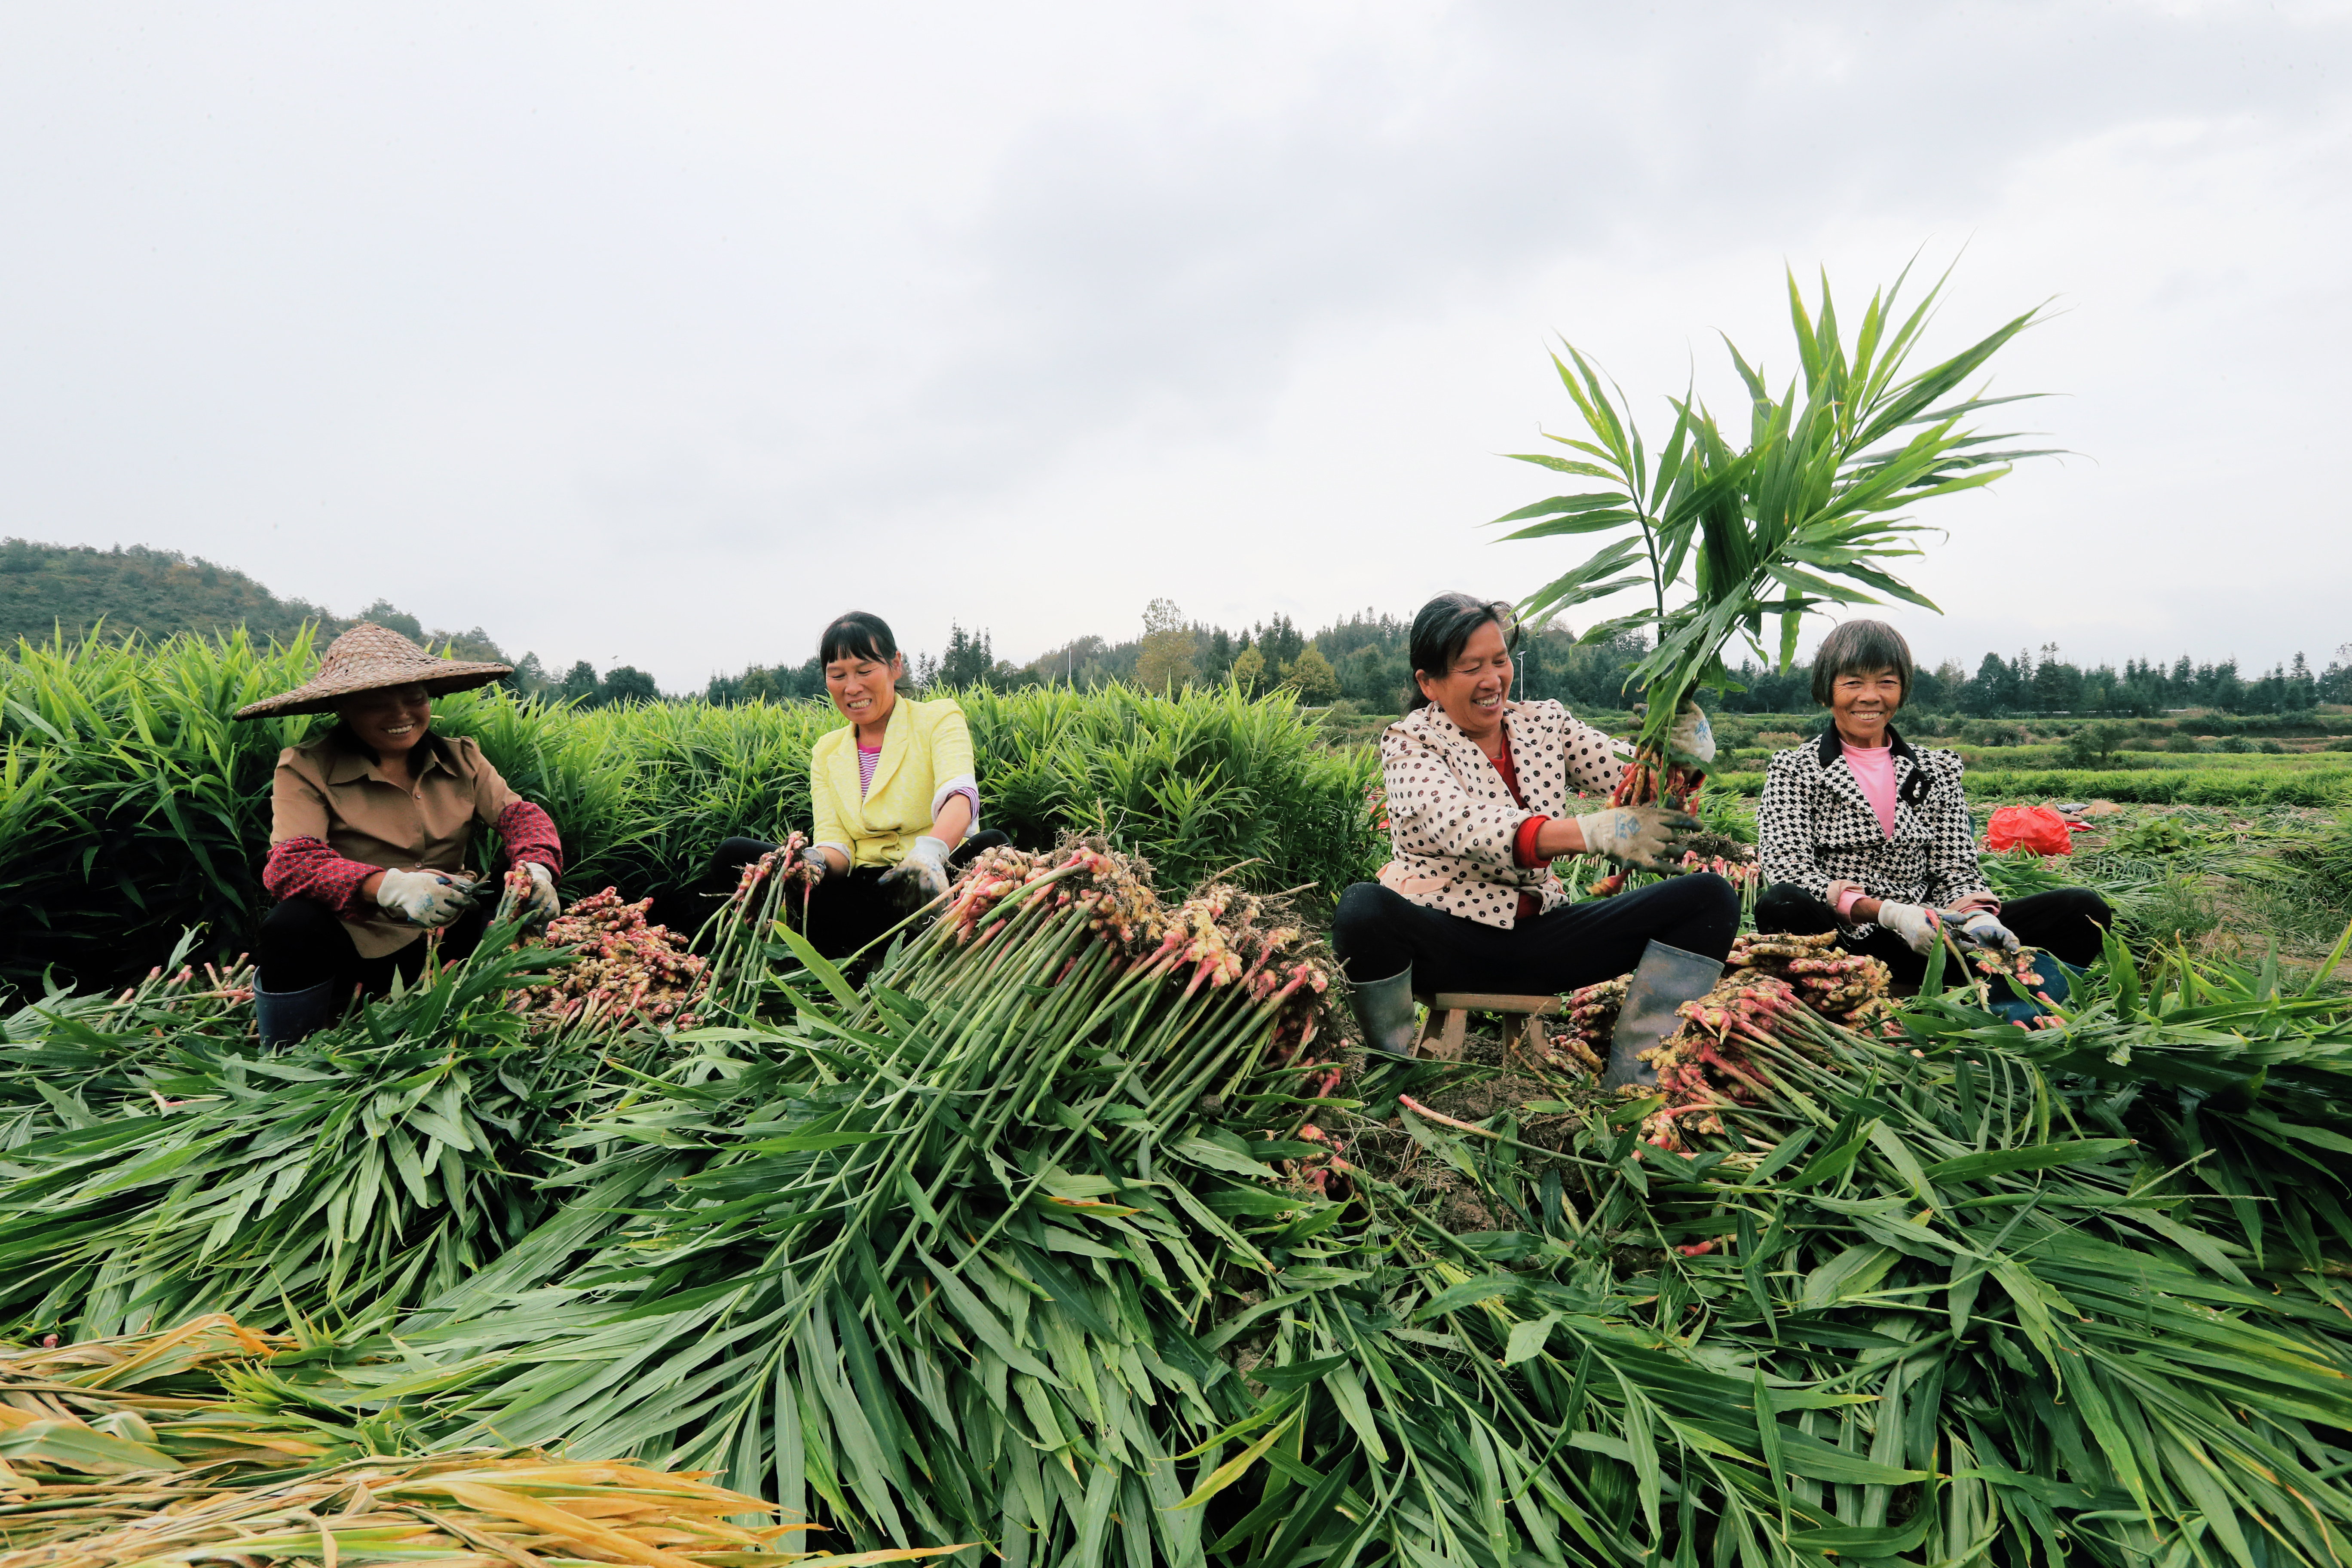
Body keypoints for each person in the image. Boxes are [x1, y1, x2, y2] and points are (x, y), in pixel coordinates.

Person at [1332, 592, 1739, 1082]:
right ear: (1430, 683)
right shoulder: (1410, 742)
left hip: (1544, 940)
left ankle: (1637, 1079)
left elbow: (1632, 780)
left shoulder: (1544, 723)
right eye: (1470, 667)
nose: (1492, 680)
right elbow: (1463, 823)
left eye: (1500, 660)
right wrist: (1590, 833)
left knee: (1708, 898)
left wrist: (1684, 751)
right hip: (1448, 942)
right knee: (1362, 909)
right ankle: (1394, 1071)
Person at [235, 623, 564, 1044]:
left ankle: (513, 1000)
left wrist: (536, 869)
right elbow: (292, 864)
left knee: (525, 884)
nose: (402, 714)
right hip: (359, 943)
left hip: (448, 931)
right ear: (343, 706)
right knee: (290, 924)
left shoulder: (462, 758)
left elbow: (520, 817)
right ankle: (287, 1048)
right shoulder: (306, 767)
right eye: (377, 702)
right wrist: (390, 887)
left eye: (414, 698)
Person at [1754, 618, 2112, 980]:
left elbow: (1955, 869)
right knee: (1782, 904)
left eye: (1886, 682)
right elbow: (1789, 869)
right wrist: (1889, 914)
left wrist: (1978, 915)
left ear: (1902, 690)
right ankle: (1934, 983)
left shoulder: (1935, 769)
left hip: (1932, 934)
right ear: (1826, 691)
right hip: (1848, 941)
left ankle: (1995, 986)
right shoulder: (1796, 768)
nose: (1870, 696)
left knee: (2083, 910)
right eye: (1853, 683)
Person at [662, 611, 1009, 962]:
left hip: (936, 877)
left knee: (992, 846)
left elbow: (959, 796)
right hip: (863, 891)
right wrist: (808, 863)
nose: (852, 687)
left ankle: (867, 949)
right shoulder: (827, 751)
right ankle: (875, 949)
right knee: (734, 856)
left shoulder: (938, 718)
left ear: (895, 665)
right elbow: (838, 848)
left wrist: (928, 856)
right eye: (838, 675)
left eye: (864, 670)